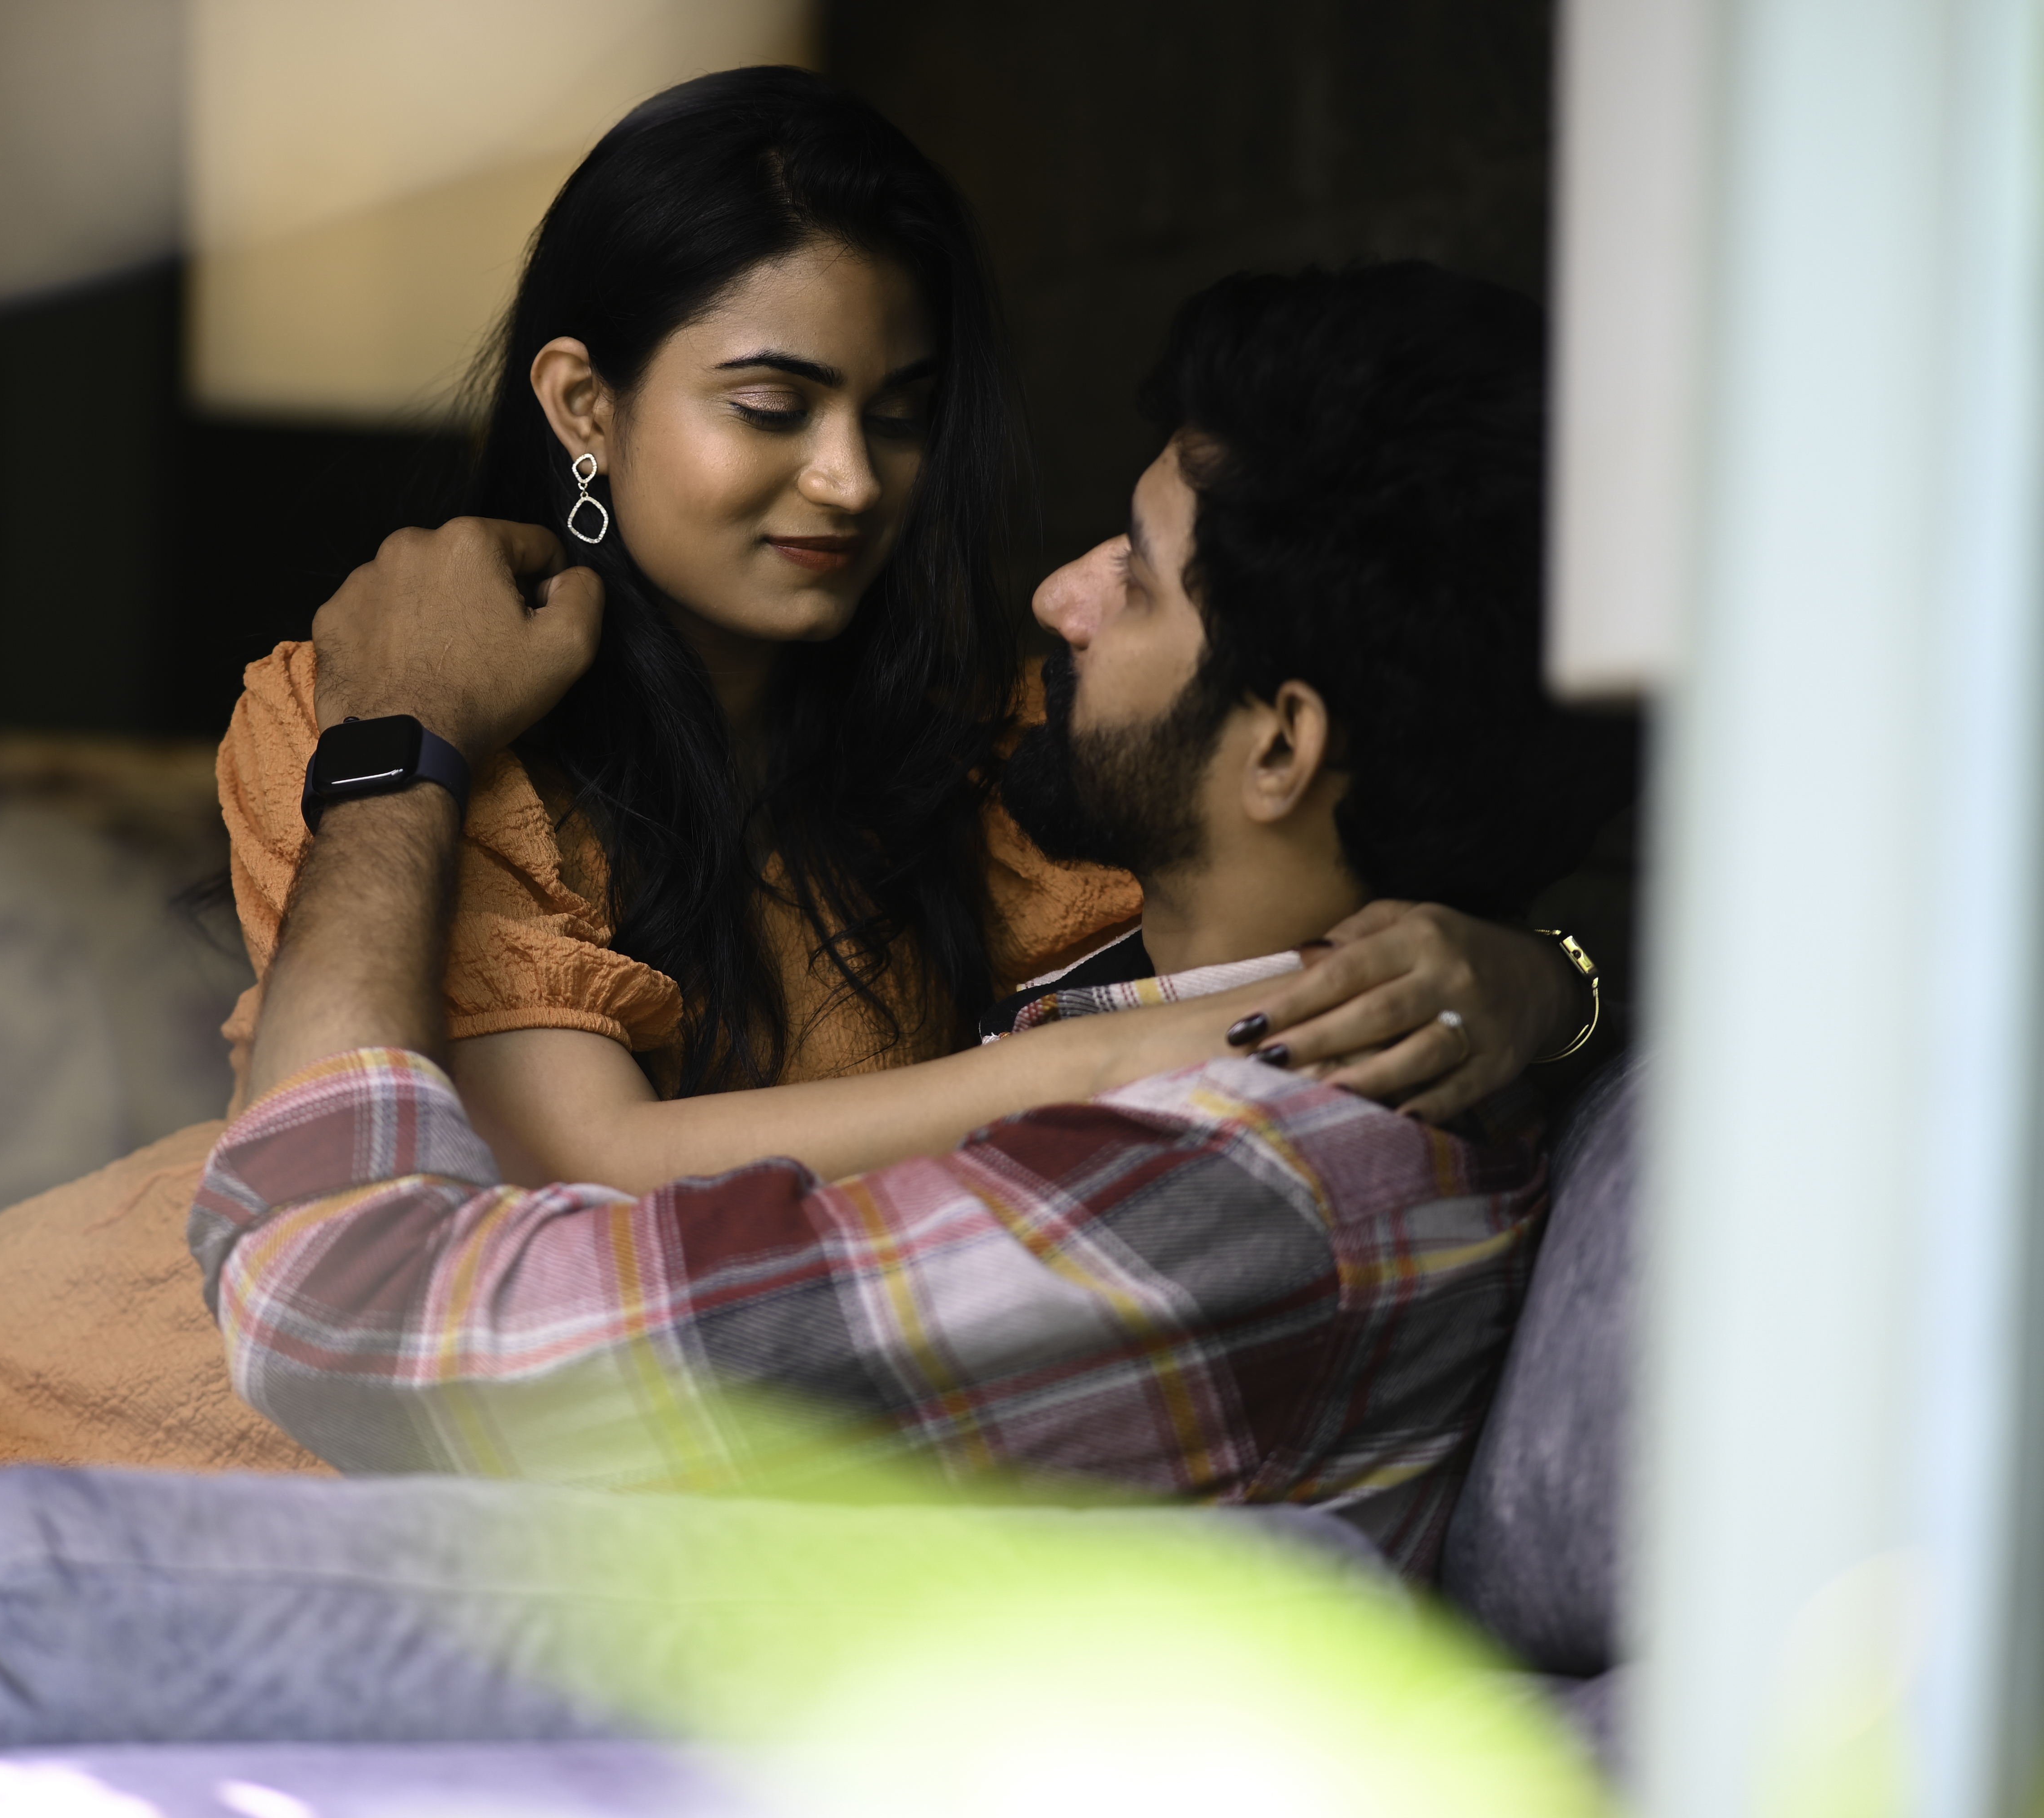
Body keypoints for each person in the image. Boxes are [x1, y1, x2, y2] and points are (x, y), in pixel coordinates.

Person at [198, 263, 1625, 1574]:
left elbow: (351, 1318)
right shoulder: (1338, 1015)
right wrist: (1558, 978)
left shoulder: (1213, 1199)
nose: (1054, 596)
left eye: (1133, 572)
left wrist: (394, 742)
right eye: (770, 403)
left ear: (1279, 750)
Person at [217, 67, 1596, 1200]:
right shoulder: (388, 721)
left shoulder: (1016, 742)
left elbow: (1328, 847)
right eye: (772, 405)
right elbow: (589, 1168)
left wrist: (1545, 979)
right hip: (219, 1393)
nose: (854, 481)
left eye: (898, 412)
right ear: (584, 406)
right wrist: (1149, 1058)